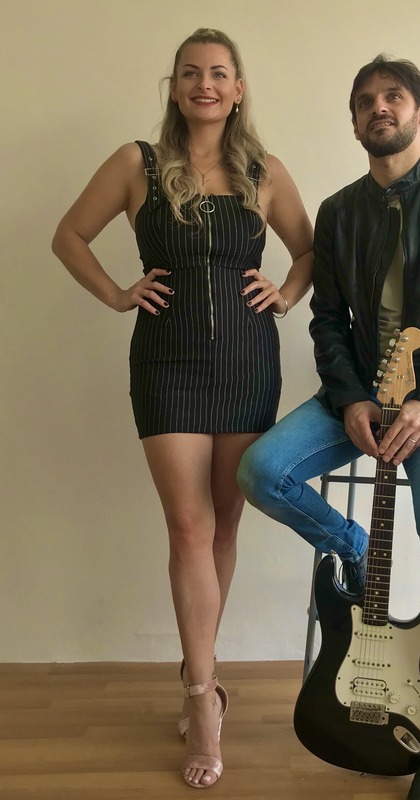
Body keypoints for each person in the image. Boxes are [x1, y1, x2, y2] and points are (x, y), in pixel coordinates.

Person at [237, 54, 420, 800]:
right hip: (358, 394)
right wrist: (352, 396)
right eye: (364, 101)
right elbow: (327, 319)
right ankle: (352, 547)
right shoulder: (337, 211)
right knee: (260, 471)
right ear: (354, 121)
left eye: (393, 96)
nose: (378, 108)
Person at [52, 28, 313, 789]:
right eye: (191, 72)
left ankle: (203, 670)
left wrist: (287, 293)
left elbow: (310, 251)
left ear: (237, 90)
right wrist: (116, 294)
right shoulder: (136, 164)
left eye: (219, 73)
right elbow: (68, 236)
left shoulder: (265, 172)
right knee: (187, 526)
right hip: (167, 363)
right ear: (174, 86)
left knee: (224, 525)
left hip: (246, 362)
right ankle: (202, 697)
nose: (205, 84)